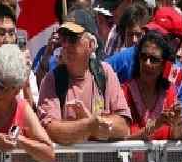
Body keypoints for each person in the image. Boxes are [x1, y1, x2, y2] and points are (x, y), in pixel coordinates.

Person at [38, 9, 131, 144]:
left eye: (73, 39)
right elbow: (50, 130)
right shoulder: (52, 79)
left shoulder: (104, 72)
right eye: (63, 38)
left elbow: (123, 126)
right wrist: (89, 125)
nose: (66, 45)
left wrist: (96, 124)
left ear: (91, 44)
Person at [122, 31, 182, 140]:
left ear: (164, 65)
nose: (147, 63)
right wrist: (156, 125)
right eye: (143, 56)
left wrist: (176, 123)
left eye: (154, 59)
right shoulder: (123, 93)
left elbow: (176, 137)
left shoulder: (169, 93)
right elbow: (123, 140)